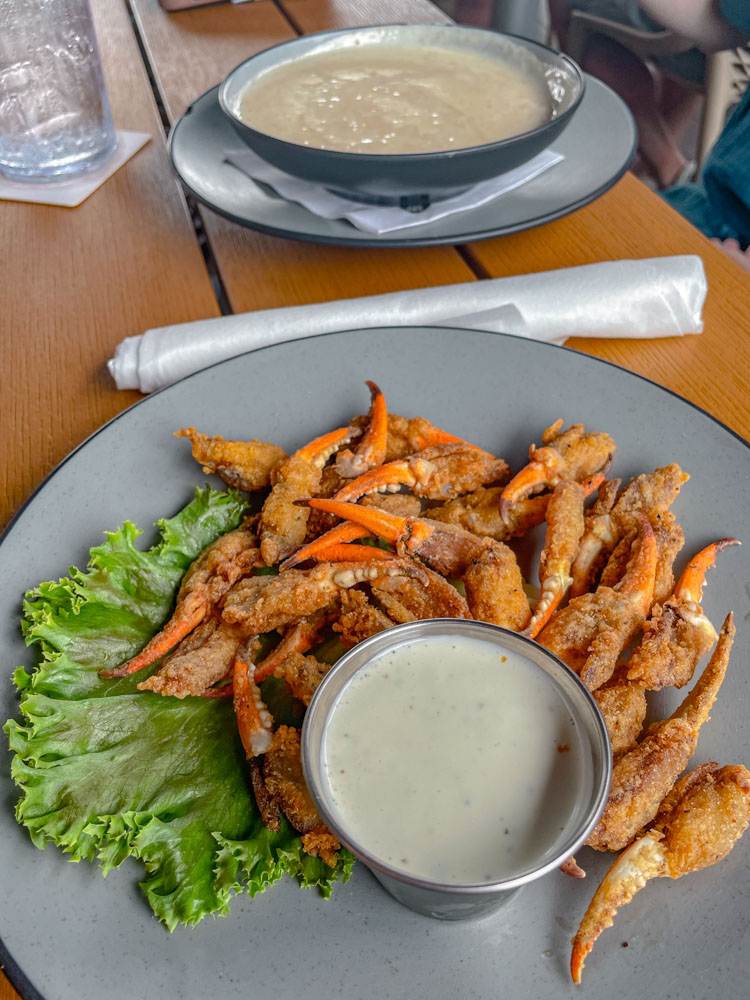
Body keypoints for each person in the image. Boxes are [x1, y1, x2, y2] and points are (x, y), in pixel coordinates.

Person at [552, 0, 750, 273]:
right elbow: (715, 24)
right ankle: (667, 168)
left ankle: (664, 165)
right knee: (553, 229)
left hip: (726, 247)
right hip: (712, 206)